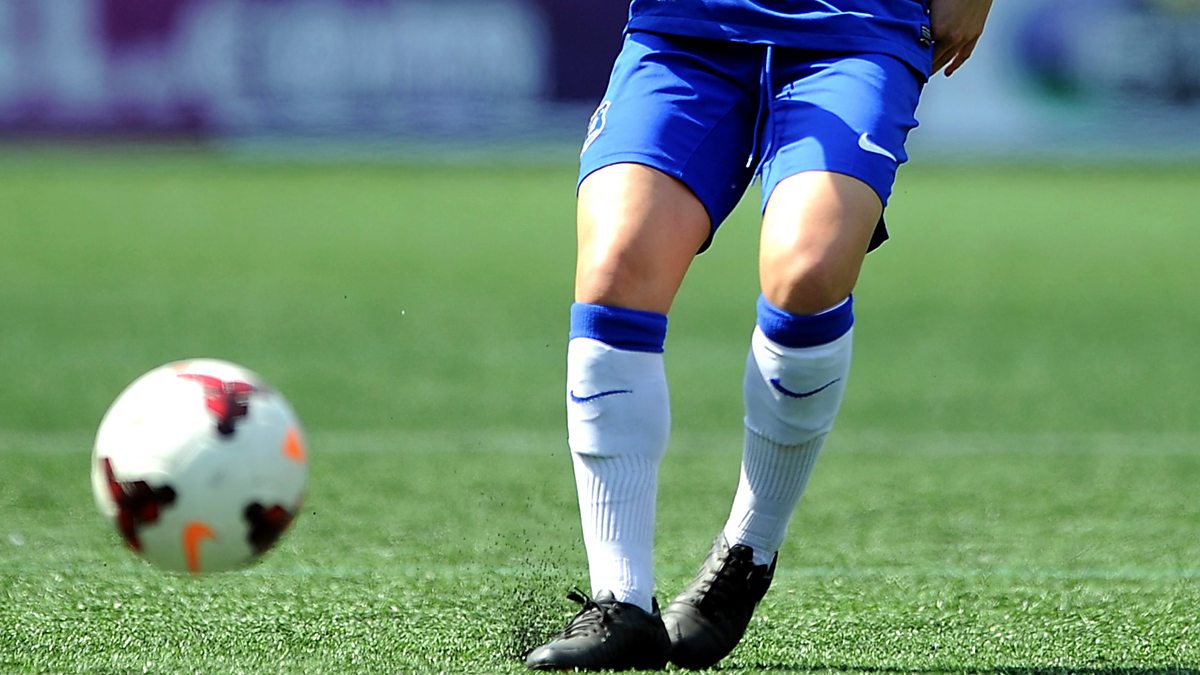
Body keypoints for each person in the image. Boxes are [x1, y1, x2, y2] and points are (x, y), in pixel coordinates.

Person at [525, 0, 994, 670]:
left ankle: (747, 552)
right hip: (687, 24)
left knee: (808, 271)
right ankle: (619, 600)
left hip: (853, 25)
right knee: (616, 267)